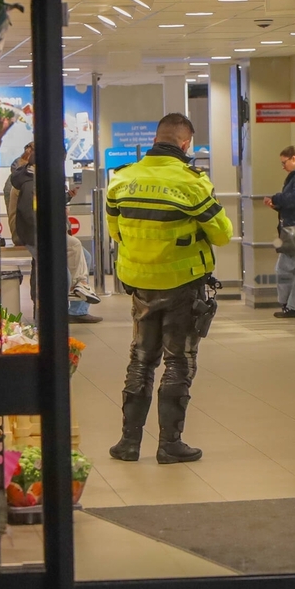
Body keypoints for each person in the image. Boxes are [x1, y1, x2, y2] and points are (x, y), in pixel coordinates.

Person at [107, 112, 232, 465]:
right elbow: (221, 234)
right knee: (179, 362)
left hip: (140, 284)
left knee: (141, 360)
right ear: (185, 143)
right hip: (182, 285)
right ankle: (169, 444)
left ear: (155, 139)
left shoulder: (122, 180)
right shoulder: (191, 183)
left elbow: (116, 232)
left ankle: (128, 443)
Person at [11, 151, 103, 323]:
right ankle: (59, 310)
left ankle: (78, 305)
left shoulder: (38, 179)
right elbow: (29, 213)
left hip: (46, 232)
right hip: (36, 235)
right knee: (63, 270)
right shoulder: (30, 182)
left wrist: (66, 197)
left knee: (84, 255)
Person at [264, 145, 295, 318]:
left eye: (284, 162)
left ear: (294, 158)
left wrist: (276, 198)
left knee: (288, 268)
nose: (283, 166)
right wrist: (277, 205)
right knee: (290, 269)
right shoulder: (294, 177)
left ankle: (292, 305)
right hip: (292, 227)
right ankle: (291, 305)